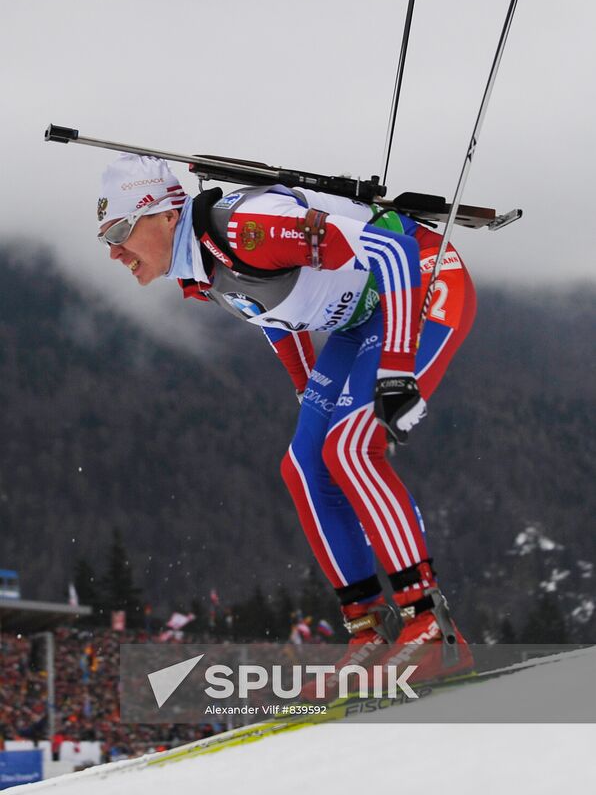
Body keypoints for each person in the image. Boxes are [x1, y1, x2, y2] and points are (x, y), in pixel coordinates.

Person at [96, 153, 477, 687]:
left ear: (163, 215)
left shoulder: (249, 229)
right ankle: (368, 631)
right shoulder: (200, 265)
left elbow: (393, 247)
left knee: (349, 449)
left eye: (119, 230)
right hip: (363, 317)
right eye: (104, 238)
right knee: (304, 465)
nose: (113, 251)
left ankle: (432, 628)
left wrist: (394, 372)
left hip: (422, 282)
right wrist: (307, 389)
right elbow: (270, 310)